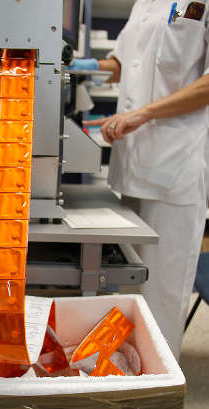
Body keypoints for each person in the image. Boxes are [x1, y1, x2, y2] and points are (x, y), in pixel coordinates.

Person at [71, 0, 209, 360]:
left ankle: (158, 380)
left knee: (162, 289)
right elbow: (122, 63)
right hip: (132, 161)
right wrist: (81, 66)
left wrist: (144, 114)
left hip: (174, 164)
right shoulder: (144, 3)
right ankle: (127, 368)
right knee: (128, 278)